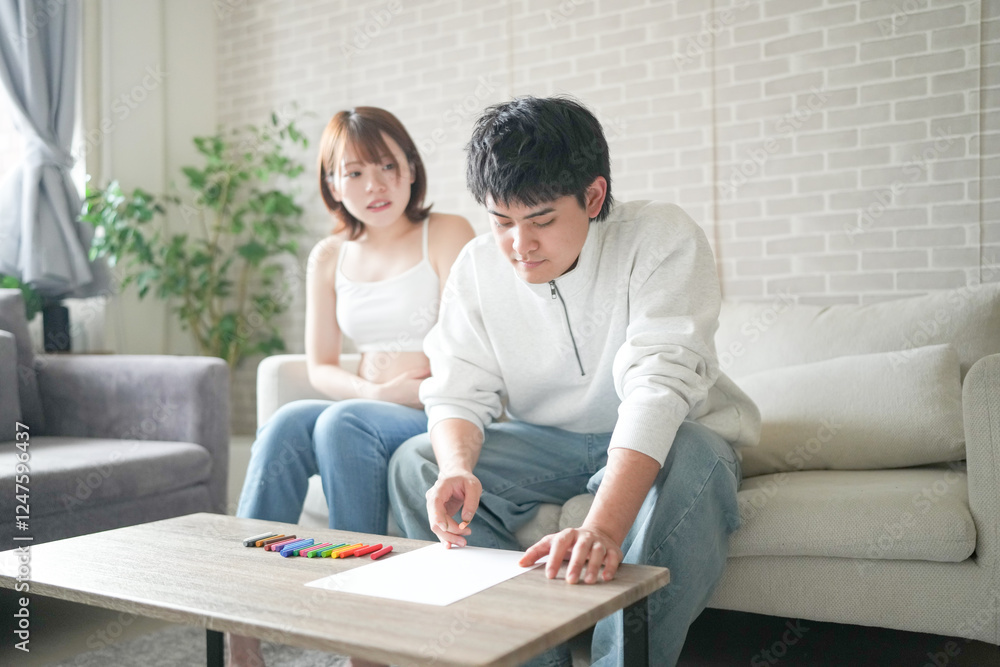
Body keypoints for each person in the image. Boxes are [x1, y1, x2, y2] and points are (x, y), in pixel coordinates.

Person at [386, 96, 761, 667]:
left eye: (540, 220)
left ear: (593, 196)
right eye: (502, 221)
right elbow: (459, 389)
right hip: (551, 443)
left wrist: (603, 528)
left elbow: (659, 385)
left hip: (669, 438)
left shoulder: (660, 236)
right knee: (418, 463)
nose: (519, 245)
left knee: (695, 453)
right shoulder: (477, 267)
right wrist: (459, 468)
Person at [228, 107, 474, 667]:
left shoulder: (447, 232)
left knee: (341, 419)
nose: (376, 184)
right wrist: (377, 394)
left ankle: (362, 632)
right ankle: (239, 622)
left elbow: (472, 344)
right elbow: (321, 366)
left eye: (389, 165)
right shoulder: (330, 255)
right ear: (332, 184)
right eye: (355, 171)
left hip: (432, 408)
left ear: (412, 168)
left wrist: (393, 396)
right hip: (373, 406)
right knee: (290, 422)